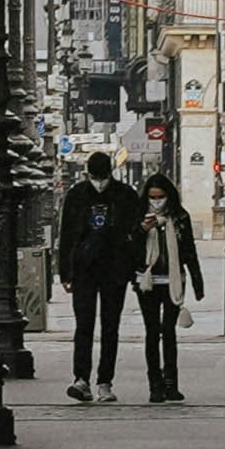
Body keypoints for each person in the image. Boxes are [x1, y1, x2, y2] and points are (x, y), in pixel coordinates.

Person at [50, 147, 149, 399]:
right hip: (87, 269)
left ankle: (104, 381)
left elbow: (135, 235)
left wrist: (136, 267)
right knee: (86, 325)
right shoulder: (80, 195)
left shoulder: (122, 195)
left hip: (113, 268)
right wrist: (65, 273)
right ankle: (83, 379)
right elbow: (67, 235)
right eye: (97, 177)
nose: (99, 183)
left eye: (101, 177)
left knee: (108, 326)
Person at [137, 171, 204, 402]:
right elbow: (128, 246)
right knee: (152, 331)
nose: (157, 202)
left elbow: (189, 250)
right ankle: (154, 384)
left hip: (173, 279)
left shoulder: (179, 217)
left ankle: (171, 382)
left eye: (161, 197)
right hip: (147, 280)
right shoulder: (139, 215)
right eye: (152, 197)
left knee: (168, 331)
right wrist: (142, 230)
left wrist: (197, 281)